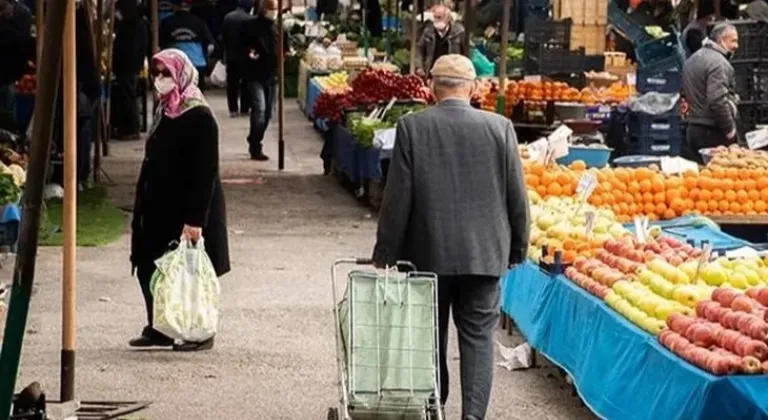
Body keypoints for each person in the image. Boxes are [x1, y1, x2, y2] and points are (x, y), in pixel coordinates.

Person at [371, 54, 530, 420]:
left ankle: (433, 409)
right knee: (478, 340)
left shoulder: (413, 127)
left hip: (427, 254)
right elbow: (516, 197)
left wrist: (386, 251)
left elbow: (398, 197)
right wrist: (518, 247)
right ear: (473, 88)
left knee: (429, 338)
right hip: (483, 255)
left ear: (431, 88)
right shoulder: (500, 127)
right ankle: (472, 417)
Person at [129, 49, 230, 351]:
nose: (160, 80)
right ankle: (160, 326)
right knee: (150, 265)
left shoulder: (198, 115)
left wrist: (195, 220)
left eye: (166, 74)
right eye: (157, 74)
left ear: (182, 76)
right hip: (158, 205)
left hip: (186, 207)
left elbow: (205, 172)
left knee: (189, 271)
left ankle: (199, 331)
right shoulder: (165, 109)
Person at [682, 23, 740, 163]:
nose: (736, 46)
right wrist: (730, 130)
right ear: (721, 40)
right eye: (733, 40)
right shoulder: (719, 63)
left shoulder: (692, 59)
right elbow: (717, 100)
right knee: (718, 178)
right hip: (712, 130)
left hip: (693, 129)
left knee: (701, 179)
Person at [240, 0, 287, 161]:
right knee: (259, 109)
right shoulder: (250, 26)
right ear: (263, 9)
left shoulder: (279, 28)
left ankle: (255, 138)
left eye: (275, 9)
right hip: (254, 76)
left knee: (268, 114)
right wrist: (249, 54)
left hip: (272, 76)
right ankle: (255, 145)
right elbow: (241, 47)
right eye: (270, 9)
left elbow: (285, 49)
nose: (272, 12)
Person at [159, 0, 216, 91]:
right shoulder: (199, 21)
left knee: (175, 92)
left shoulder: (167, 22)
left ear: (174, 6)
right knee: (196, 93)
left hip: (175, 64)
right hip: (196, 63)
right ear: (189, 7)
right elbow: (211, 46)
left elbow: (161, 45)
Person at [112, 0, 149, 140]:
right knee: (127, 96)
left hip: (127, 66)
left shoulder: (131, 25)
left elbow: (129, 49)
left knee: (128, 97)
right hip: (130, 66)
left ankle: (131, 129)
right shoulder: (136, 24)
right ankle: (128, 128)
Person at [0, 0, 33, 122]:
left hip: (8, 76)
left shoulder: (22, 14)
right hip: (10, 77)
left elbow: (20, 44)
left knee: (6, 117)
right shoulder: (23, 13)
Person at [220, 0, 253, 118]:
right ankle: (245, 108)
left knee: (232, 84)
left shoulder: (228, 17)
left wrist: (222, 55)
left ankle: (233, 109)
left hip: (231, 56)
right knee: (246, 83)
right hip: (246, 57)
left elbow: (223, 38)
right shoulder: (250, 19)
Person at [417, 4, 466, 77]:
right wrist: (419, 66)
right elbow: (419, 49)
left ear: (448, 18)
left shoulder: (459, 32)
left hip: (452, 73)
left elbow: (466, 51)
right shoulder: (428, 31)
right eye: (435, 17)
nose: (436, 20)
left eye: (439, 17)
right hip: (432, 72)